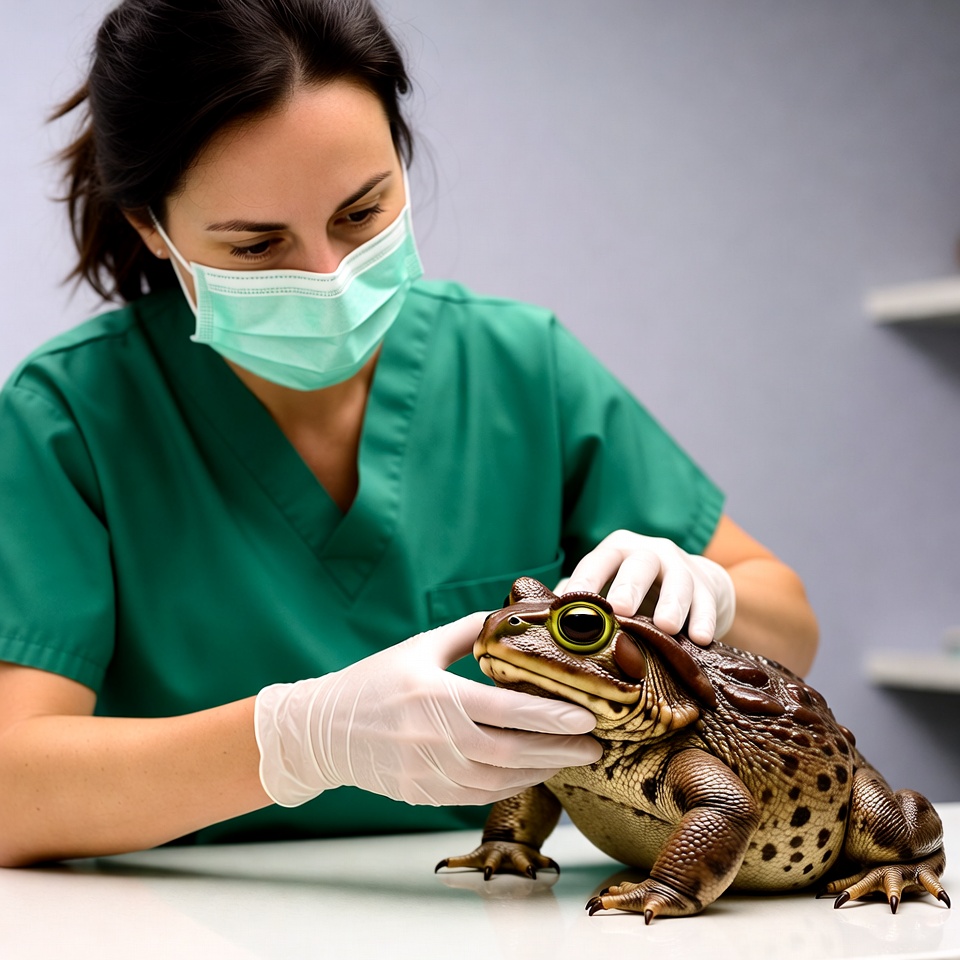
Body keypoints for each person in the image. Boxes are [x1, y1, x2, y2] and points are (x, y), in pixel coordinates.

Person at [0, 0, 818, 868]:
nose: (329, 278)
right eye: (255, 246)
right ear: (149, 226)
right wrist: (298, 740)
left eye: (361, 214)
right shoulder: (73, 416)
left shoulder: (518, 367)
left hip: (492, 900)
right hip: (179, 915)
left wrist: (710, 605)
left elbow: (792, 629)